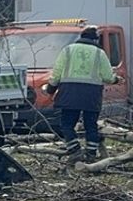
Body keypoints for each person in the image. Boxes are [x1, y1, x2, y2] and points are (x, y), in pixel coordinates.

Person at [46, 26, 120, 161]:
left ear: (81, 36)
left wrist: (50, 91)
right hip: (91, 95)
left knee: (67, 125)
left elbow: (56, 74)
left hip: (69, 94)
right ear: (96, 39)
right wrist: (116, 80)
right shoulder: (99, 53)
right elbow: (108, 76)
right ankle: (91, 155)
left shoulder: (67, 50)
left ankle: (75, 151)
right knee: (91, 125)